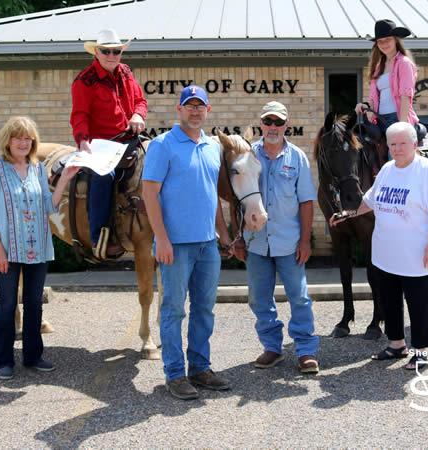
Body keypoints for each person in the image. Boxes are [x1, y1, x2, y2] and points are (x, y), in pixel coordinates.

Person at [330, 122, 428, 370]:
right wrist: (348, 214)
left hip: (417, 255)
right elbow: (369, 201)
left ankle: (421, 352)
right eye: (392, 144)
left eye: (402, 143)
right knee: (390, 301)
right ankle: (397, 345)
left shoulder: (426, 171)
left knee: (420, 304)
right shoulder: (386, 170)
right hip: (386, 254)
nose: (397, 148)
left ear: (414, 144)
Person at [142, 85, 234, 400]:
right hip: (176, 246)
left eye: (200, 106)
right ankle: (175, 374)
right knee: (173, 310)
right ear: (179, 110)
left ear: (207, 110)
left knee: (204, 309)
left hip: (208, 245)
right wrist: (162, 239)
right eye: (189, 105)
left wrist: (223, 232)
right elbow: (149, 194)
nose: (195, 111)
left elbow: (212, 197)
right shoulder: (162, 145)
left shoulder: (212, 147)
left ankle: (200, 368)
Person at [0, 116, 78, 380]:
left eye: (28, 138)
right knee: (7, 303)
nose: (23, 142)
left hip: (37, 248)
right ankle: (3, 361)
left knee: (34, 303)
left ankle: (33, 356)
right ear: (8, 141)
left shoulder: (37, 169)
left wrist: (65, 179)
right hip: (6, 251)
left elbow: (49, 205)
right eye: (18, 137)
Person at [235, 101, 320, 374]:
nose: (273, 127)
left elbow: (307, 202)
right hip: (256, 243)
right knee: (259, 299)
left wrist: (305, 240)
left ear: (286, 125)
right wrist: (238, 236)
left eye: (278, 122)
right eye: (268, 122)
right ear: (261, 124)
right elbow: (237, 199)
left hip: (289, 243)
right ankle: (272, 348)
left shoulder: (297, 158)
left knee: (300, 298)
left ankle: (306, 350)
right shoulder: (248, 156)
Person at [70, 29, 148, 258]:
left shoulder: (126, 72)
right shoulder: (84, 81)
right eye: (106, 51)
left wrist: (138, 116)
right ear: (97, 52)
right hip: (101, 144)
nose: (112, 55)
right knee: (104, 176)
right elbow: (79, 115)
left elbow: (140, 101)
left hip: (130, 139)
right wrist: (83, 140)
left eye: (116, 51)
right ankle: (99, 236)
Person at [355, 19, 419, 145]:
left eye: (387, 39)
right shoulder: (378, 67)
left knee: (394, 156)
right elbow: (375, 99)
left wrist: (402, 126)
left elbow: (405, 96)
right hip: (379, 120)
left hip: (397, 118)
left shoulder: (404, 63)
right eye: (380, 41)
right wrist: (366, 106)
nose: (384, 44)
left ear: (396, 39)